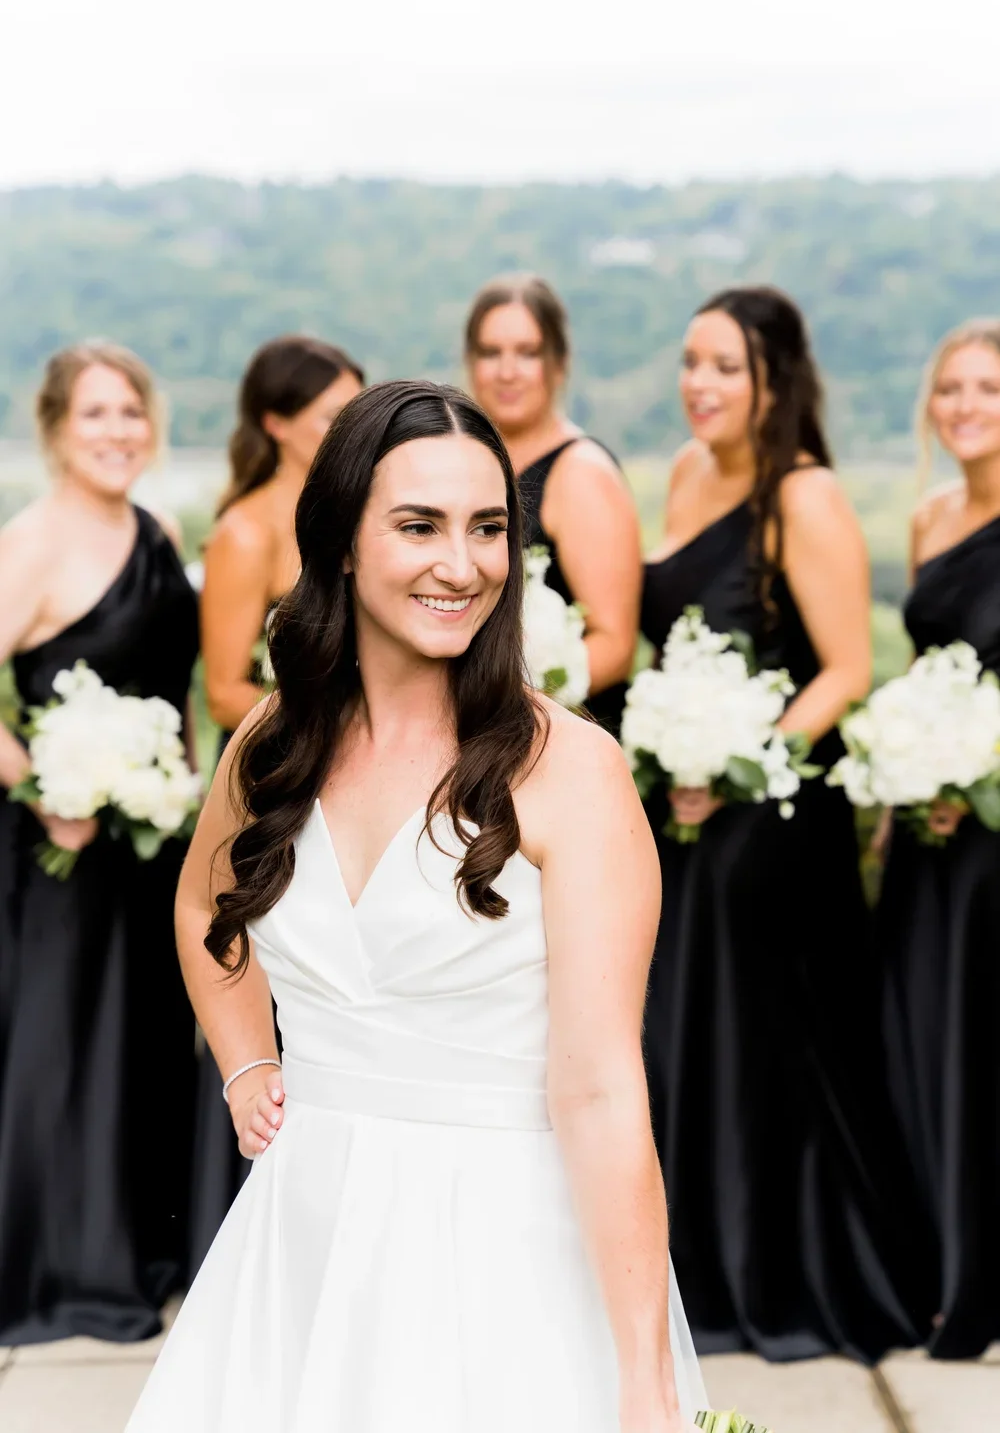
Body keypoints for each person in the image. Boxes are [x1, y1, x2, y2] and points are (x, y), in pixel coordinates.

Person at [125, 380, 706, 1432]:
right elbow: (204, 908)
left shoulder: (571, 770)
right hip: (297, 1245)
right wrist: (247, 1061)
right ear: (343, 542)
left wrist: (645, 1377)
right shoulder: (274, 740)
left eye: (487, 527)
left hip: (500, 1261)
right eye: (418, 525)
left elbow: (600, 1089)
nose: (462, 563)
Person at [639, 286, 935, 1363]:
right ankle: (683, 1266)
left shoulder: (803, 495)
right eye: (691, 362)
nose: (700, 384)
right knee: (672, 1030)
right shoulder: (684, 473)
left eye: (726, 366)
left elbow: (846, 669)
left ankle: (775, 1268)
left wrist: (734, 763)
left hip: (775, 813)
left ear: (775, 382)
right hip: (680, 809)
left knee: (760, 1043)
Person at [0, 344, 199, 1343]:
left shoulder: (160, 533)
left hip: (154, 845)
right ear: (54, 429)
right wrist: (45, 789)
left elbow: (176, 689)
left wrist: (191, 791)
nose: (118, 431)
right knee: (64, 1052)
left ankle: (140, 1251)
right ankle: (60, 1268)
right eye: (95, 414)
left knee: (146, 1049)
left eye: (131, 411)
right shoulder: (29, 544)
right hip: (64, 851)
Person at [189, 334, 364, 1275]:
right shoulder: (247, 532)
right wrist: (313, 716)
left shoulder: (353, 521)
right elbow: (222, 685)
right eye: (329, 414)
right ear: (275, 423)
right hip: (277, 783)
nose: (345, 429)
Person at [877, 319, 1000, 1359]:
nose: (965, 407)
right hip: (928, 832)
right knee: (924, 1040)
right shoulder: (928, 519)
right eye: (951, 389)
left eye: (988, 389)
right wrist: (908, 778)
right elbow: (925, 672)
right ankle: (947, 1272)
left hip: (994, 837)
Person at [465, 274, 641, 734]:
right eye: (491, 353)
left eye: (527, 353)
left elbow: (615, 647)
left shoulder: (581, 473)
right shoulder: (468, 464)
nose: (507, 371)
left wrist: (509, 703)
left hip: (559, 735)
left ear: (558, 364)